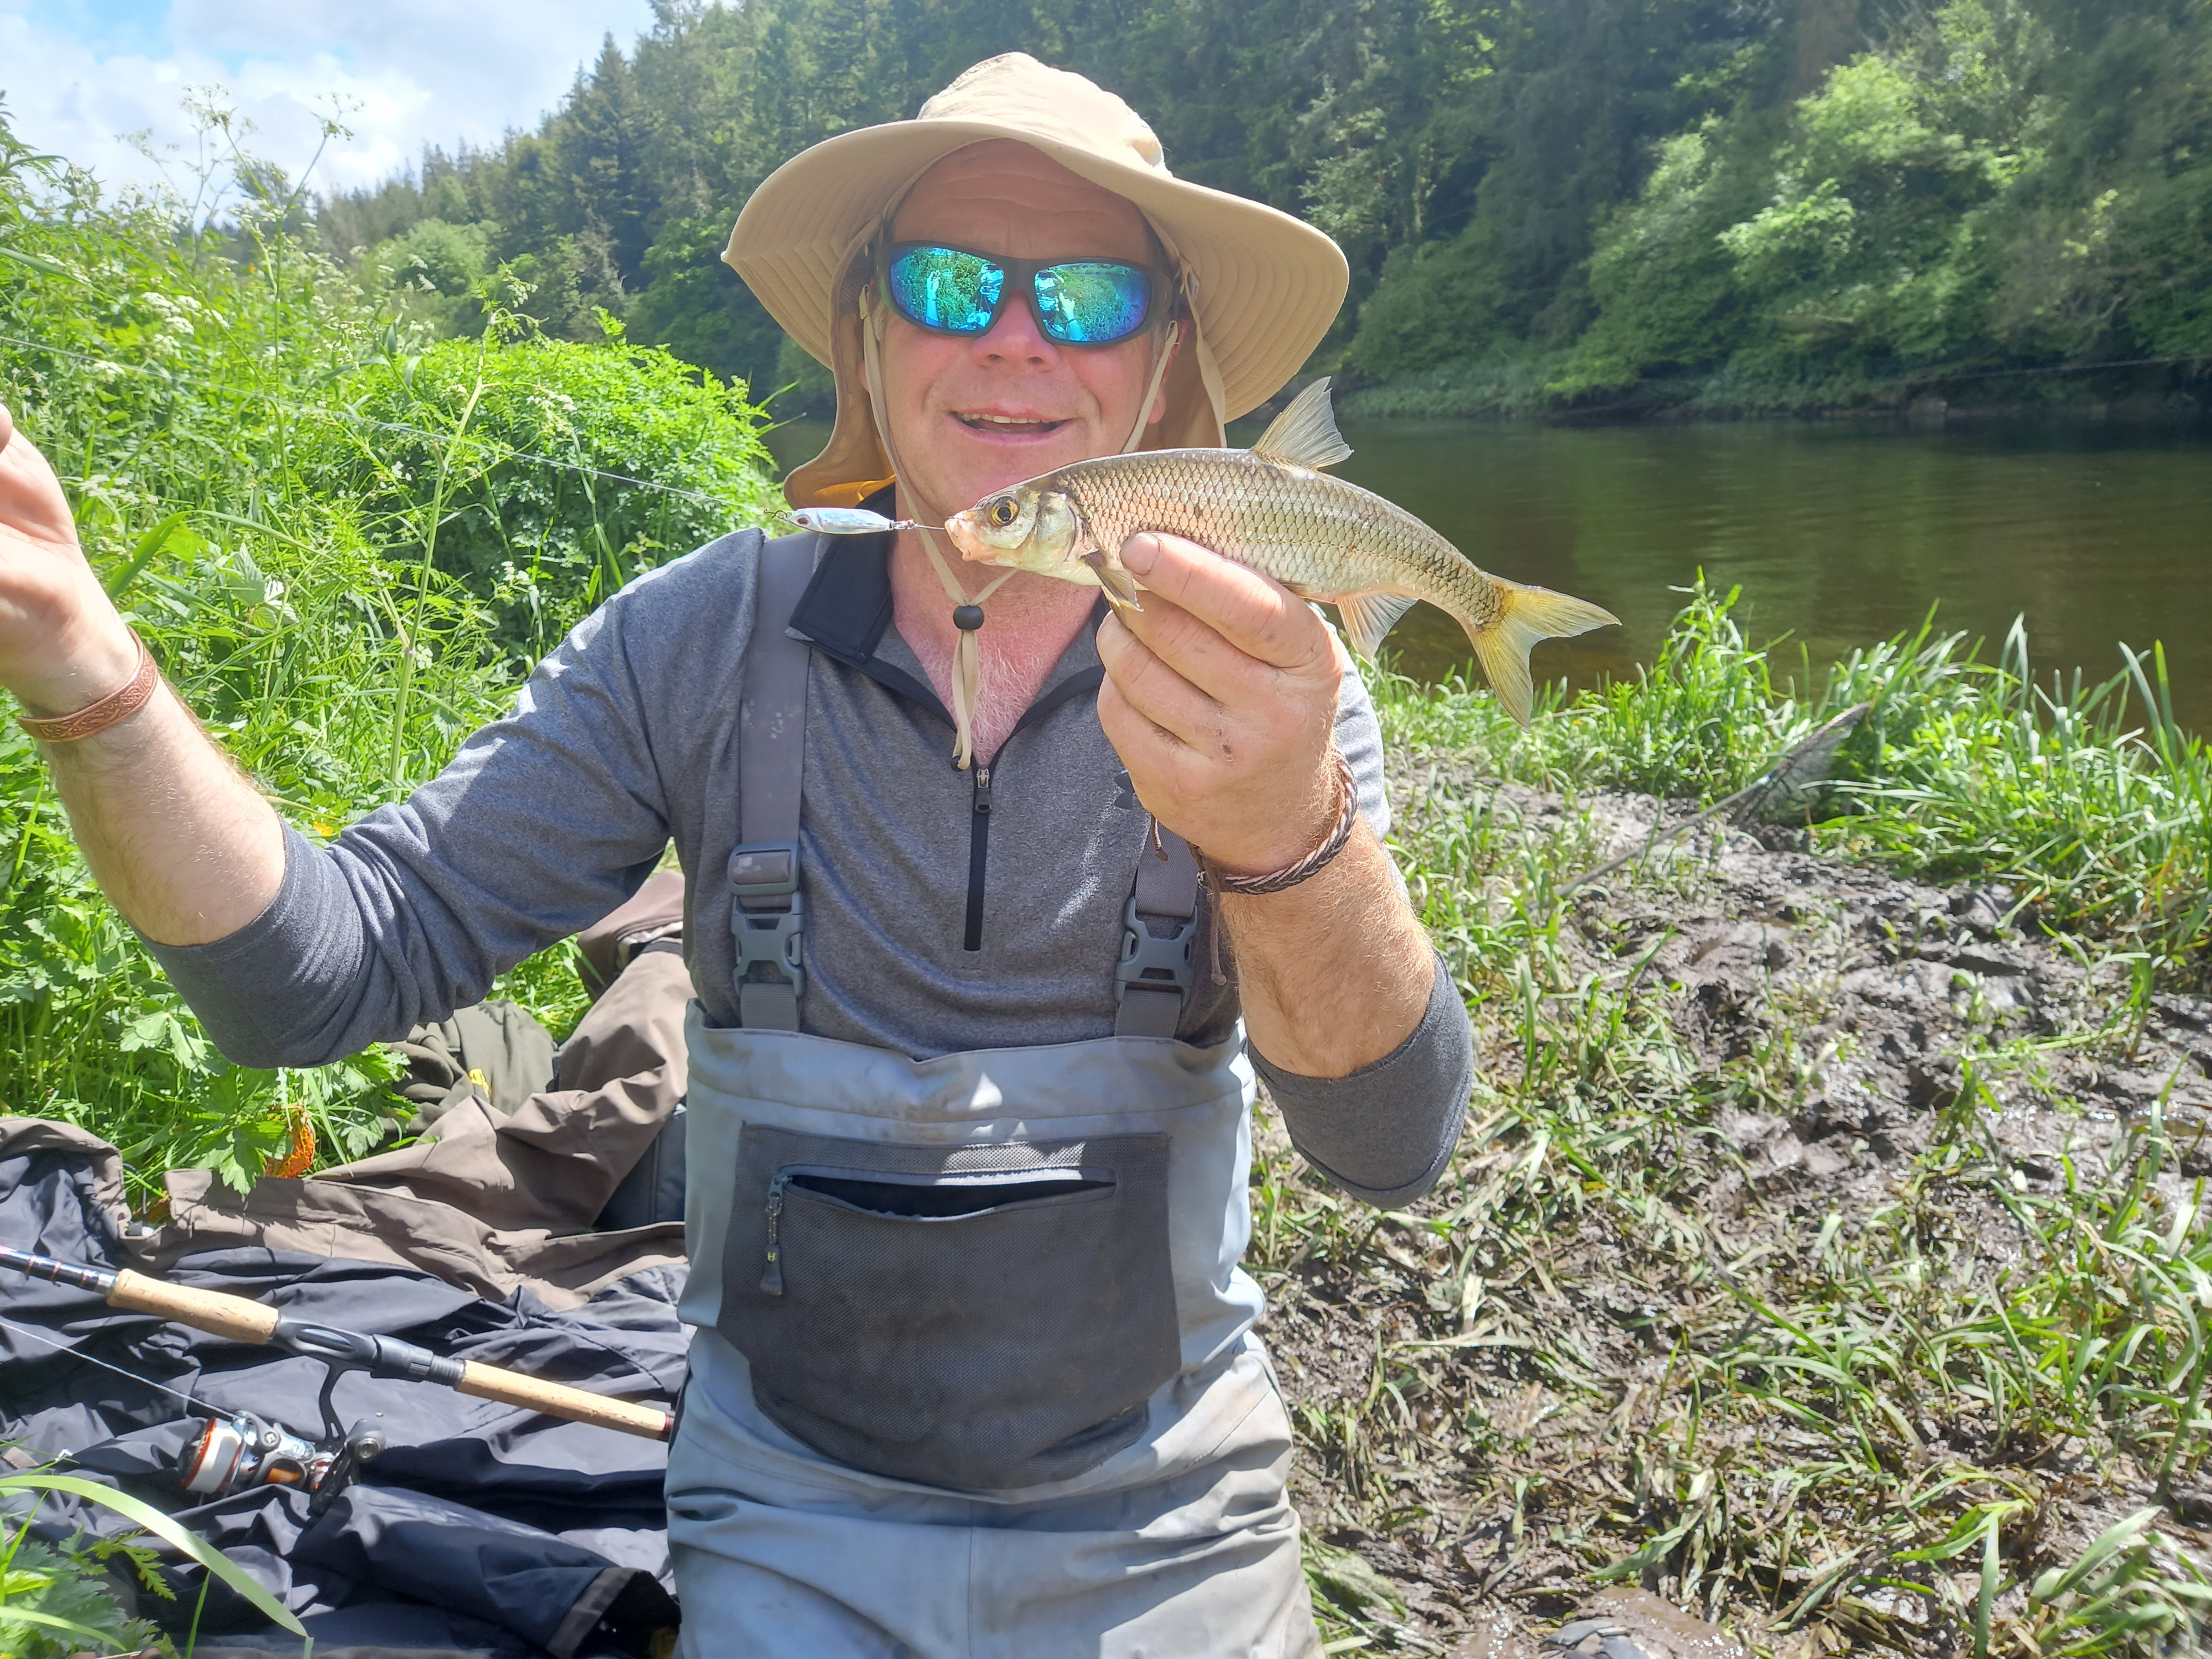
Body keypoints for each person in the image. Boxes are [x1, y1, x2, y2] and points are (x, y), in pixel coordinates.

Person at [0, 53, 1475, 1657]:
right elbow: (322, 979)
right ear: (865, 330)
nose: (1015, 334)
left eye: (1093, 297)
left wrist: (1286, 839)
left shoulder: (1274, 682)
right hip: (787, 1509)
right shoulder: (695, 643)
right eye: (949, 278)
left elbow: (1391, 1145)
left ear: (1167, 361)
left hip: (1170, 1511)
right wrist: (87, 669)